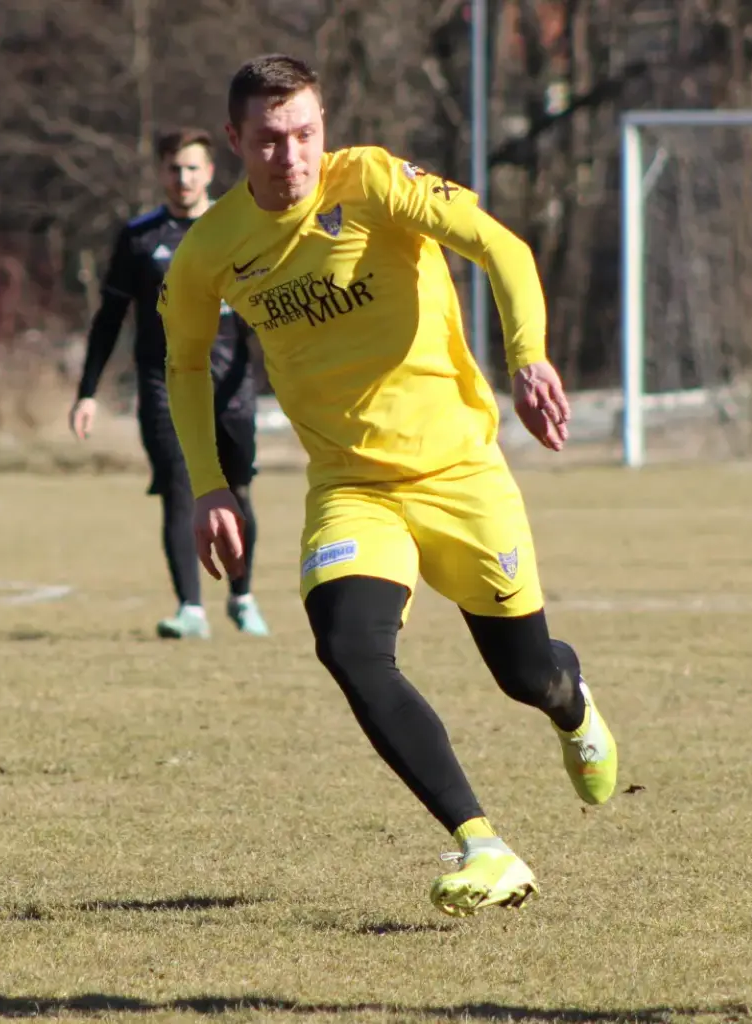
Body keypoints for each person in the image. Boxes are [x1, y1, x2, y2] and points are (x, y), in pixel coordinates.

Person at [156, 53, 618, 917]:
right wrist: (211, 486)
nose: (289, 157)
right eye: (267, 140)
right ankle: (484, 844)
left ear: (323, 130)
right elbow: (183, 363)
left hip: (459, 472)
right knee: (348, 644)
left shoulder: (371, 181)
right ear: (233, 142)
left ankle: (573, 702)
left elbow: (501, 247)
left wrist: (529, 358)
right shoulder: (208, 249)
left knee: (526, 676)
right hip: (350, 486)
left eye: (304, 135)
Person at [70, 127, 269, 640]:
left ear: (210, 172)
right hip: (162, 383)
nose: (182, 178)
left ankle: (242, 598)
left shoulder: (240, 228)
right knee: (181, 490)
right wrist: (88, 392)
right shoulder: (140, 238)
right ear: (160, 173)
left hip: (230, 386)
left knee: (236, 491)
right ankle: (191, 610)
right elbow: (109, 318)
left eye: (192, 168)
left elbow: (270, 311)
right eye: (173, 169)